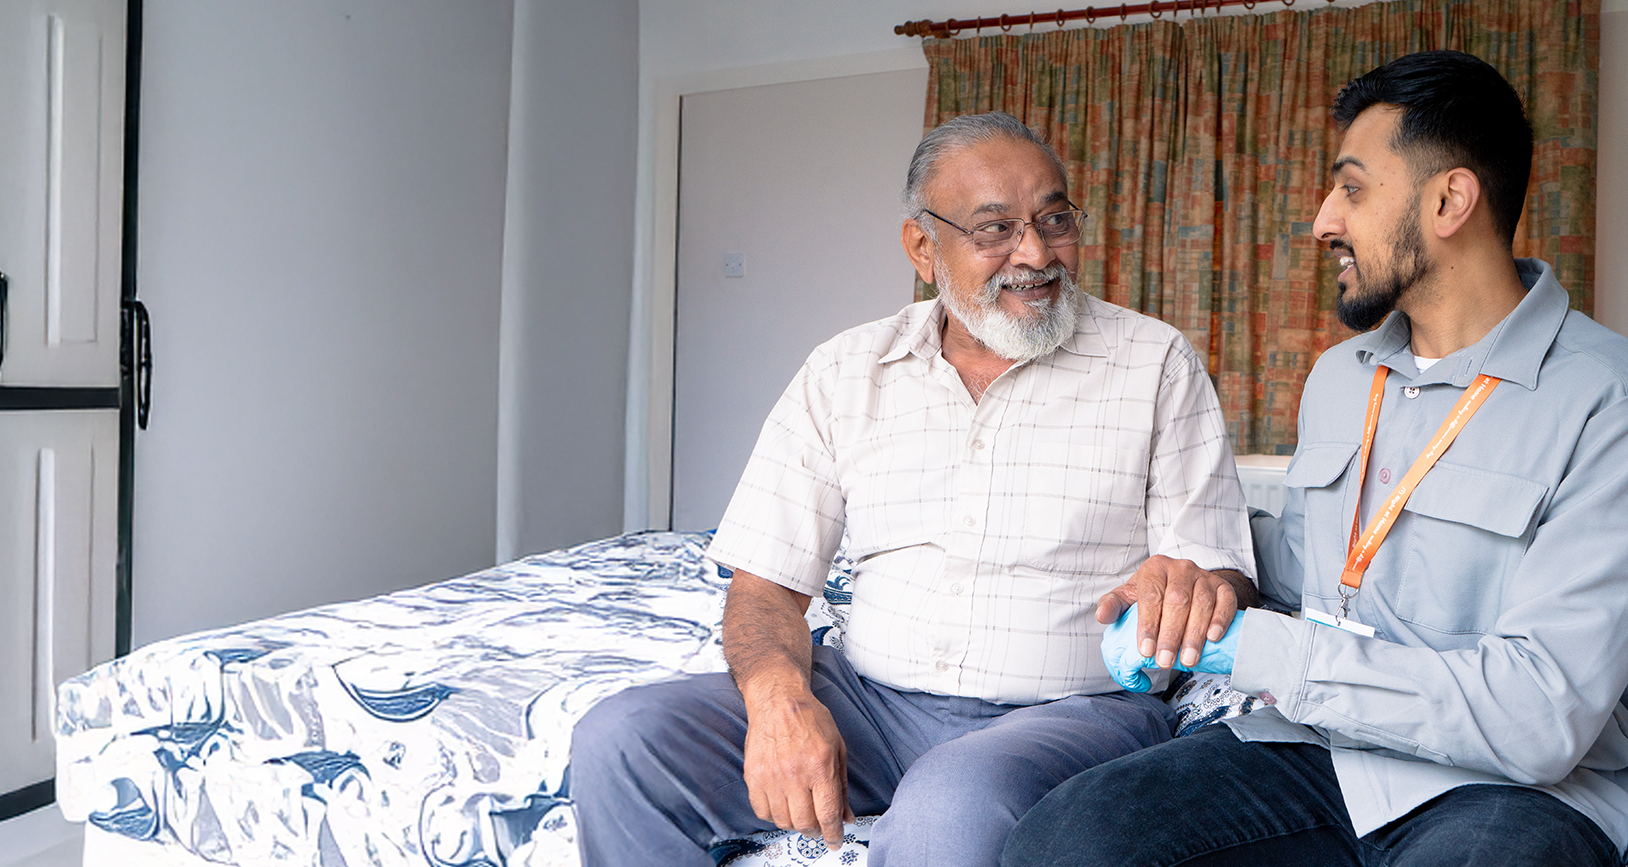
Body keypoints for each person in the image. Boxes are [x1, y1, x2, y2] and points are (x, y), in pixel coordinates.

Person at [567, 111, 1256, 867]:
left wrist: (1194, 586)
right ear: (923, 247)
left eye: (1054, 219)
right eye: (995, 229)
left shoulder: (1154, 362)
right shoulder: (844, 368)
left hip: (1071, 711)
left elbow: (1217, 568)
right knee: (622, 738)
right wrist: (779, 702)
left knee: (949, 803)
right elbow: (765, 587)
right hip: (867, 701)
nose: (1034, 252)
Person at [1003, 50, 1628, 867]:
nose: (1323, 219)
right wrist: (1201, 567)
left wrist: (1261, 649)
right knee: (1058, 843)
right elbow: (1311, 563)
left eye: (1353, 188)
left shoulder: (1604, 397)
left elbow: (1540, 717)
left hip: (1513, 790)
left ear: (1450, 200)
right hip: (1317, 748)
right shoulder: (1341, 378)